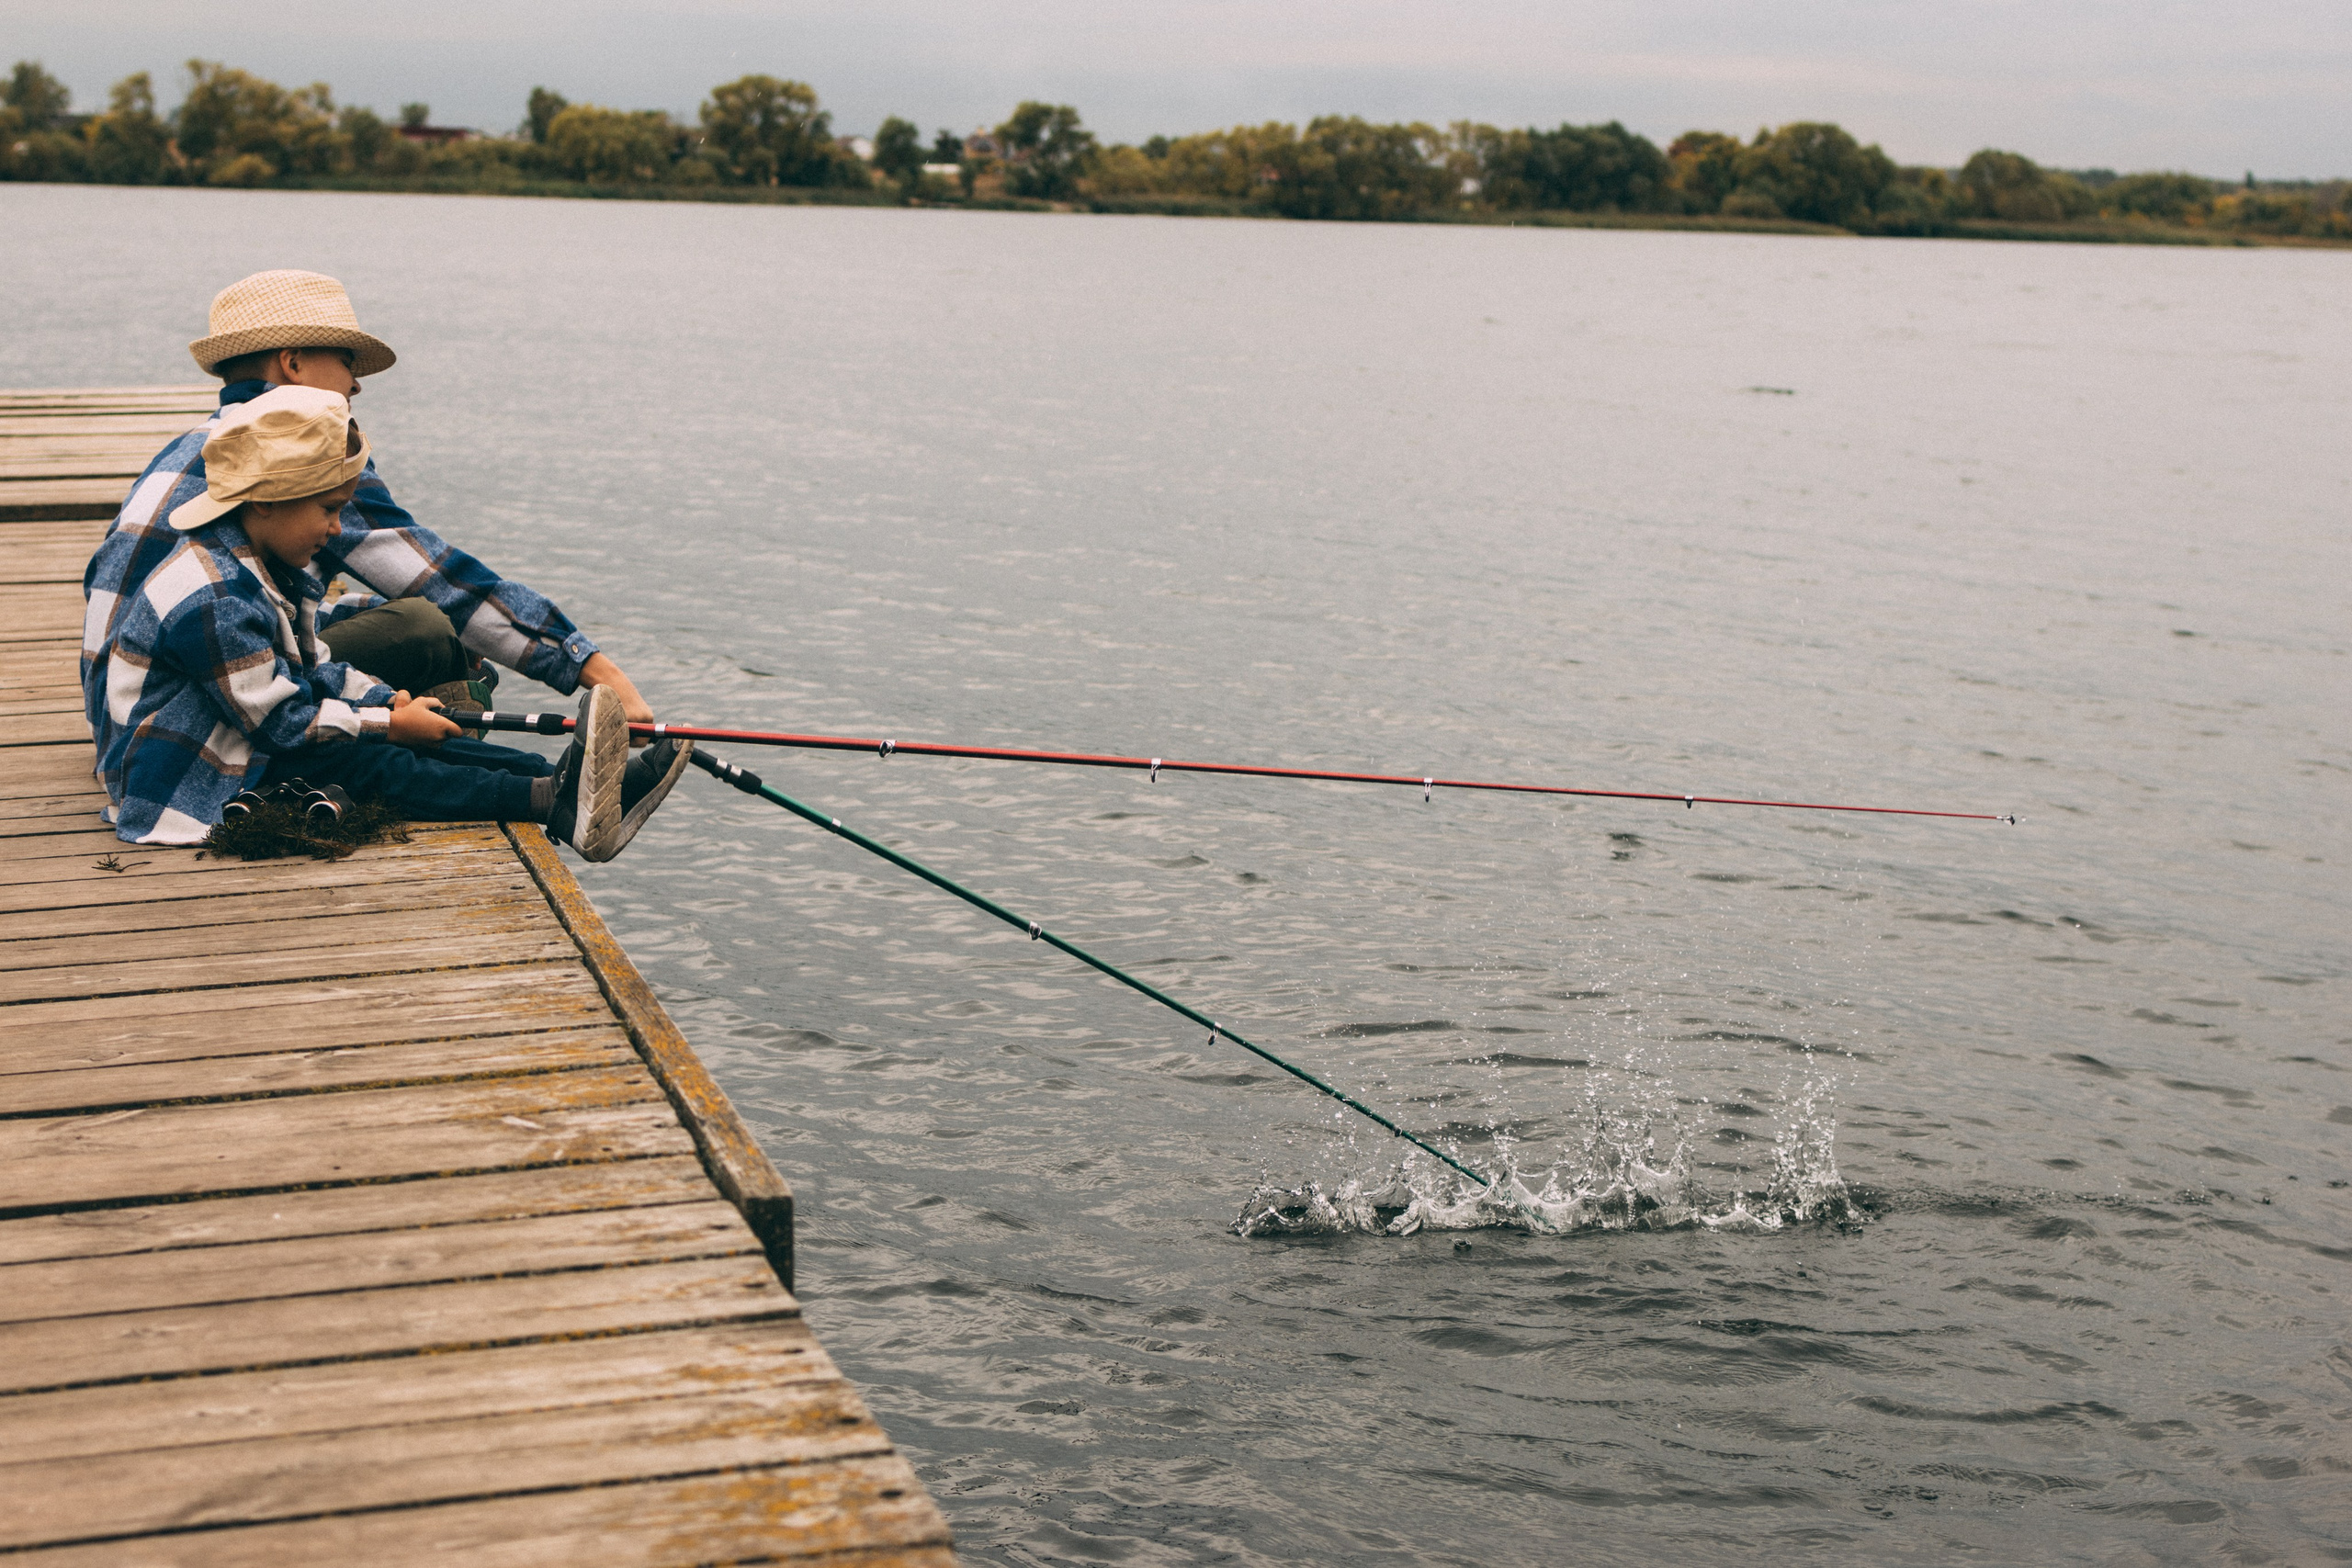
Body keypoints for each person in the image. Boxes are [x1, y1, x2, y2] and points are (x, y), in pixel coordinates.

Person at [81, 384, 689, 856]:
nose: (338, 530)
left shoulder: (272, 568)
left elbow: (315, 666)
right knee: (370, 761)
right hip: (185, 780)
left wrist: (383, 700)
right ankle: (546, 800)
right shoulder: (211, 593)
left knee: (429, 741)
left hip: (241, 741)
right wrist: (386, 726)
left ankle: (578, 786)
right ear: (264, 498)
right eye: (328, 509)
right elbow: (283, 724)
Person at [100, 267, 652, 719]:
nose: (357, 383)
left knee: (409, 621)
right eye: (344, 361)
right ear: (293, 363)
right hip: (193, 724)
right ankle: (436, 768)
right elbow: (440, 581)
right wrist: (596, 670)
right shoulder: (304, 457)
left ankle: (429, 741)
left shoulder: (186, 448)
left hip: (123, 708)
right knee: (428, 627)